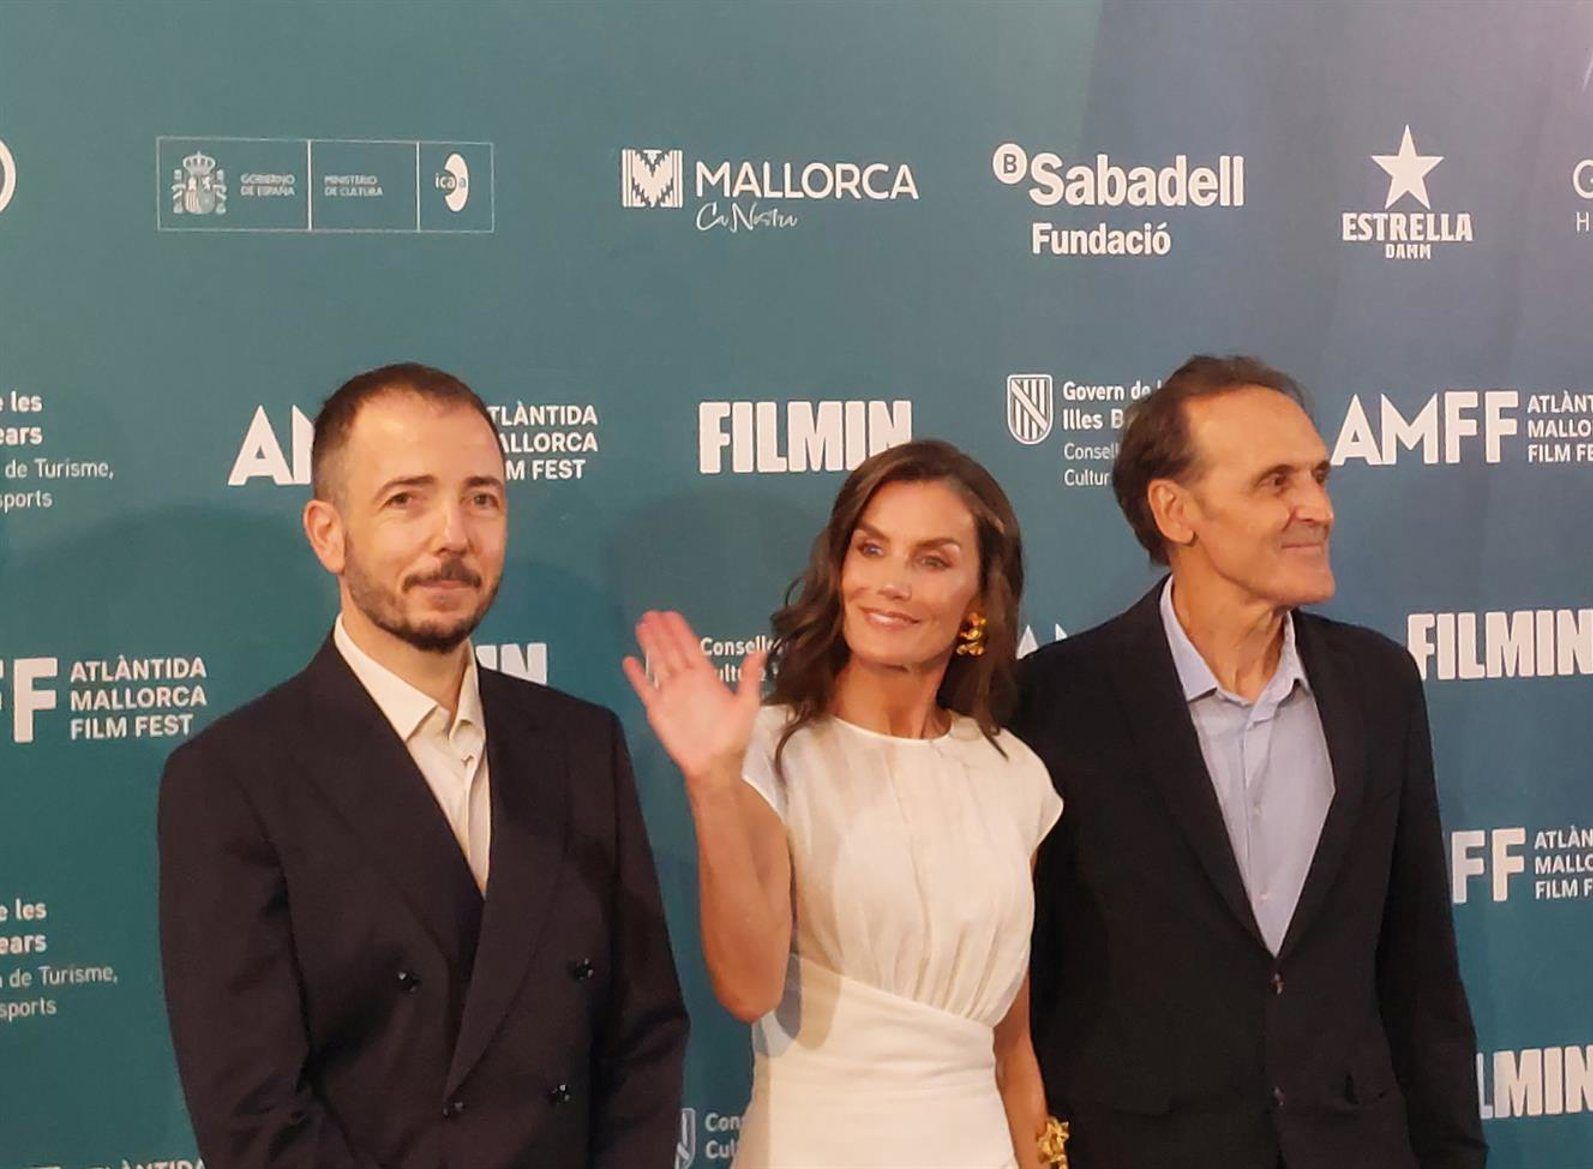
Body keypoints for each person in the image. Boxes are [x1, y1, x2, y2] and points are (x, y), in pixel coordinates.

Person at [157, 363, 687, 1169]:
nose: (453, 536)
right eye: (406, 499)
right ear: (327, 533)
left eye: (482, 499)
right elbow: (255, 1115)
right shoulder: (232, 779)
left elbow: (644, 1036)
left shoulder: (583, 746)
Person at [1013, 356, 1486, 1169]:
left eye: (1318, 477)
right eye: (1276, 482)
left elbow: (1419, 972)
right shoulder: (1053, 701)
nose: (1318, 508)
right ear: (1176, 510)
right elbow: (1024, 986)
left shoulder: (1379, 685)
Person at [623, 440, 1061, 1169]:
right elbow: (748, 987)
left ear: (980, 600)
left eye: (932, 560)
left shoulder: (1015, 776)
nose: (891, 583)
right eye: (872, 548)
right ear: (841, 568)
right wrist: (713, 785)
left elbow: (1010, 1048)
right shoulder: (772, 749)